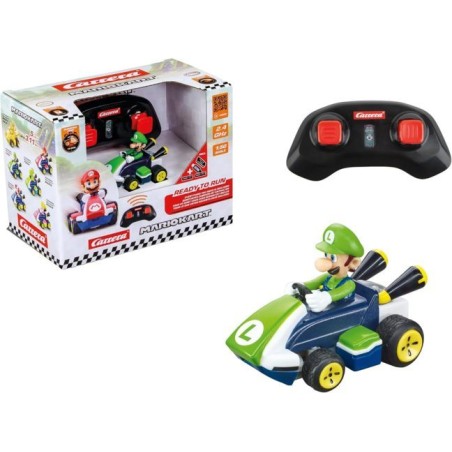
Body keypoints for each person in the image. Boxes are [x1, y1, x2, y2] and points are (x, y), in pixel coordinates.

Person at [292, 223, 364, 312]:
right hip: (329, 309)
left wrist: (325, 297)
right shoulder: (327, 277)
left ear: (353, 263)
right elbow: (312, 283)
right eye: (326, 255)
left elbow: (336, 293)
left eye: (333, 258)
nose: (326, 262)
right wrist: (298, 286)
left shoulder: (349, 284)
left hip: (344, 312)